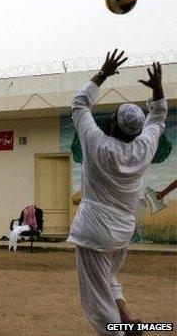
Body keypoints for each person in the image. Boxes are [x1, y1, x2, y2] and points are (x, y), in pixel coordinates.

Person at [66, 50, 167, 336]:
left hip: (95, 230)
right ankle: (127, 319)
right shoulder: (143, 148)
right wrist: (158, 89)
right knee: (108, 278)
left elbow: (79, 104)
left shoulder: (97, 142)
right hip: (122, 230)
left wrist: (102, 74)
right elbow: (158, 117)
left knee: (97, 303)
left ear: (112, 123)